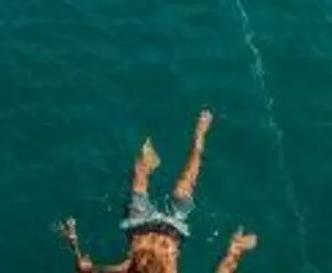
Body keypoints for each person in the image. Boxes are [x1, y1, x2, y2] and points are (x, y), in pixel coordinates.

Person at [57, 110, 257, 273]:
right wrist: (234, 252)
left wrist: (73, 244)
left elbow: (88, 270)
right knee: (184, 186)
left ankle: (147, 138)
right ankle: (199, 139)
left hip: (139, 224)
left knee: (140, 172)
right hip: (174, 228)